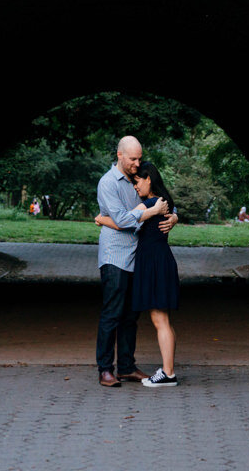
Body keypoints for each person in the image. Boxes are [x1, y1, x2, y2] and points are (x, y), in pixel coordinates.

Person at [94, 135, 177, 388]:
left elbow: (162, 198)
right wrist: (150, 212)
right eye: (132, 159)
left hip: (137, 258)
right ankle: (105, 369)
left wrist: (173, 217)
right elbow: (122, 220)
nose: (136, 163)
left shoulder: (139, 178)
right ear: (120, 155)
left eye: (139, 158)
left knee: (131, 316)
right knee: (112, 313)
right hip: (116, 256)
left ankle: (127, 367)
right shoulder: (108, 183)